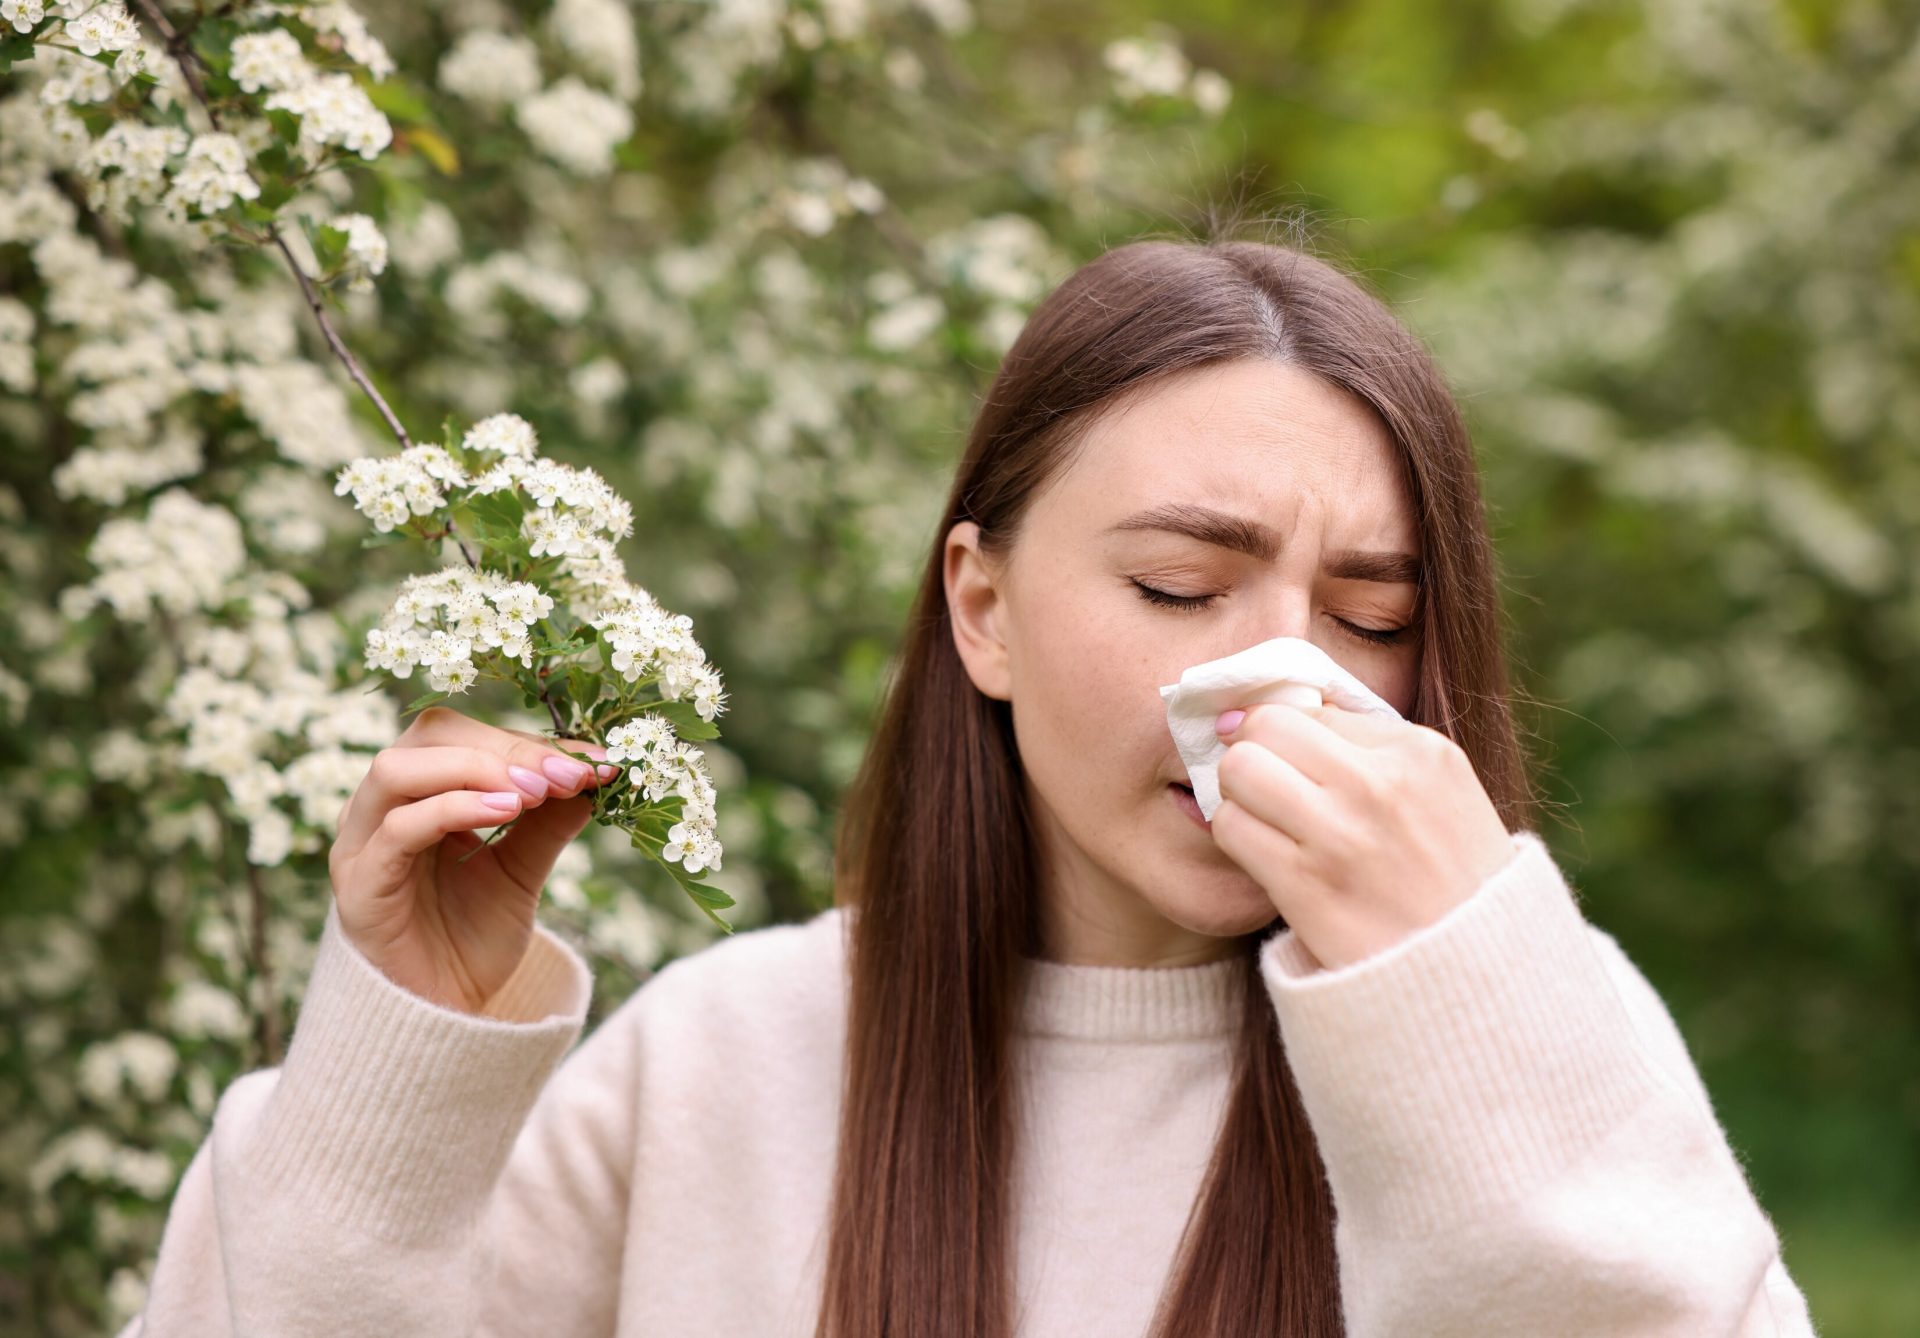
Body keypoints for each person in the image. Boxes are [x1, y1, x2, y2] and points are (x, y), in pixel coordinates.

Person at [119, 226, 1821, 1337]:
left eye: (1372, 617)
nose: (1283, 680)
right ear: (982, 605)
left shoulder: (1542, 1030)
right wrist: (399, 1055)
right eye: (1177, 588)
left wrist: (1459, 1008)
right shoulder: (726, 1060)